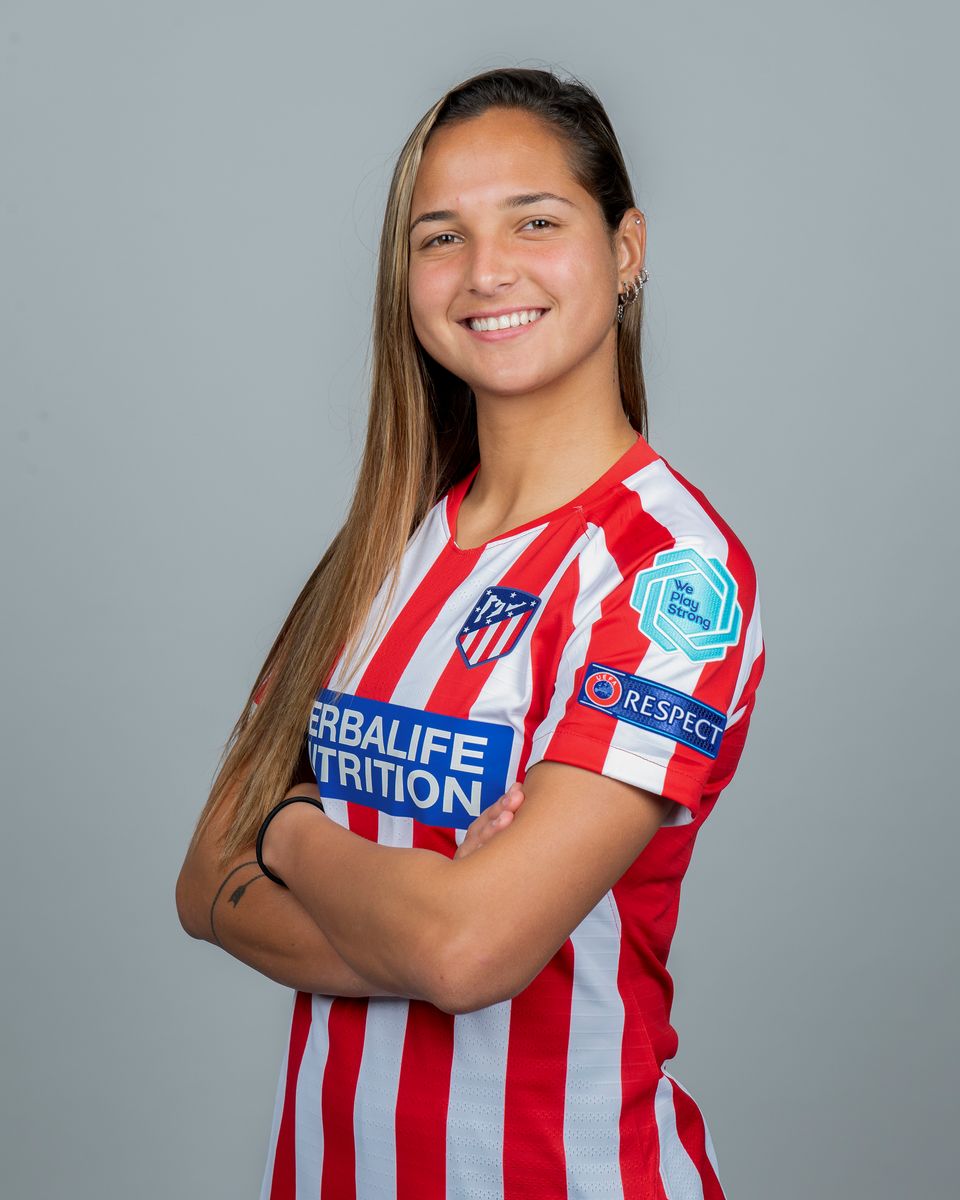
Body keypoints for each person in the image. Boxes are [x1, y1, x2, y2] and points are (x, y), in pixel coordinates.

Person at [176, 66, 765, 1199]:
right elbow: (204, 881)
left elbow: (468, 953)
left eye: (535, 222)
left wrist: (290, 827)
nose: (487, 272)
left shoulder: (669, 574)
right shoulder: (378, 550)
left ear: (625, 247)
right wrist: (430, 919)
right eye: (440, 238)